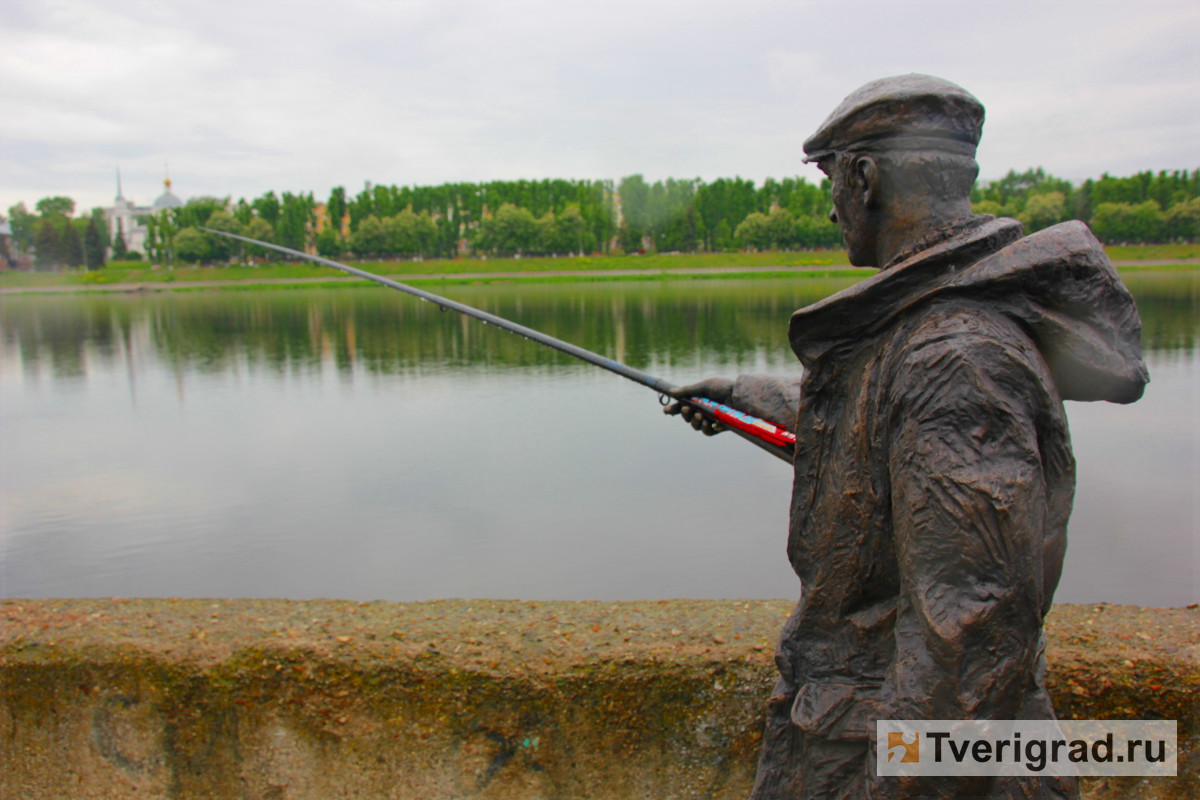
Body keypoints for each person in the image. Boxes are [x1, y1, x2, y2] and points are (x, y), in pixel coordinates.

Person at [667, 74, 1148, 799]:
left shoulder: (954, 357)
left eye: (829, 178)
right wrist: (746, 398)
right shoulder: (933, 334)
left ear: (864, 177)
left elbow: (969, 639)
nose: (830, 205)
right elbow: (878, 439)